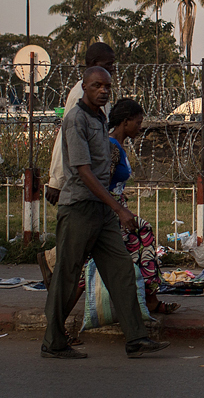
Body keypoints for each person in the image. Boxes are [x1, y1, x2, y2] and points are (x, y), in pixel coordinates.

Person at [42, 66, 168, 359]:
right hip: (80, 208)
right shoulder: (76, 119)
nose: (103, 90)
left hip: (101, 209)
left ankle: (136, 337)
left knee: (122, 269)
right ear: (84, 87)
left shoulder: (99, 118)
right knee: (67, 276)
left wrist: (111, 208)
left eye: (107, 86)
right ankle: (54, 341)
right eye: (97, 85)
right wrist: (118, 208)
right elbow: (84, 171)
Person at [107, 98, 178, 315]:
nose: (140, 127)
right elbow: (101, 183)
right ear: (125, 122)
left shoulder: (119, 145)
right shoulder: (111, 146)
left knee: (142, 240)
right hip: (110, 210)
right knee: (135, 243)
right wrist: (118, 210)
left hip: (118, 207)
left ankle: (150, 298)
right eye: (137, 123)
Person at [45, 42, 116, 205]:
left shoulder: (100, 93)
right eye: (108, 64)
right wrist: (56, 180)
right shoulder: (82, 94)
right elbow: (67, 136)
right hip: (81, 184)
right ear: (92, 65)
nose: (112, 68)